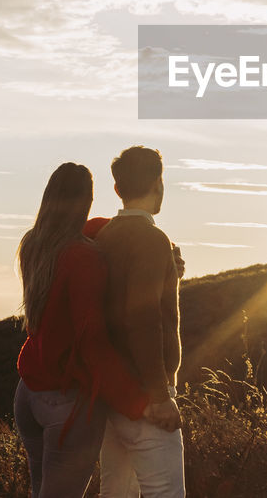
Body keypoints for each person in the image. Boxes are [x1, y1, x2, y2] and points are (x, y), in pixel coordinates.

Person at [13, 162, 150, 498]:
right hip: (67, 403)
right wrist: (138, 402)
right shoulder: (85, 258)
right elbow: (93, 342)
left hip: (28, 395)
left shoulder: (33, 245)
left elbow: (82, 232)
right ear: (88, 200)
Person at [92, 145, 186, 498]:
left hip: (113, 393)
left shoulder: (105, 237)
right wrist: (160, 394)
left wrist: (170, 273)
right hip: (147, 393)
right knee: (166, 493)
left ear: (117, 189)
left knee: (115, 492)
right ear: (159, 184)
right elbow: (143, 317)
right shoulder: (152, 238)